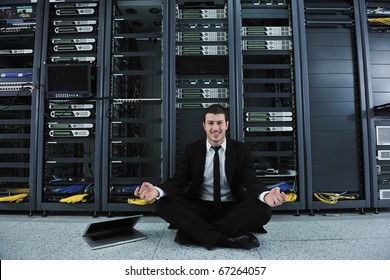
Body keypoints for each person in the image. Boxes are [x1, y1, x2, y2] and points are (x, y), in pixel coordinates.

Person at [135, 104, 287, 250]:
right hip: (199, 206)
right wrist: (156, 191)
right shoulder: (192, 150)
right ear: (204, 125)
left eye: (220, 122)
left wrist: (266, 195)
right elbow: (179, 181)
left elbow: (251, 182)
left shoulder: (241, 150)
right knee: (163, 205)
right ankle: (226, 239)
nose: (215, 128)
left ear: (226, 124)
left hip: (232, 208)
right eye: (211, 123)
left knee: (264, 210)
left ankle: (194, 233)